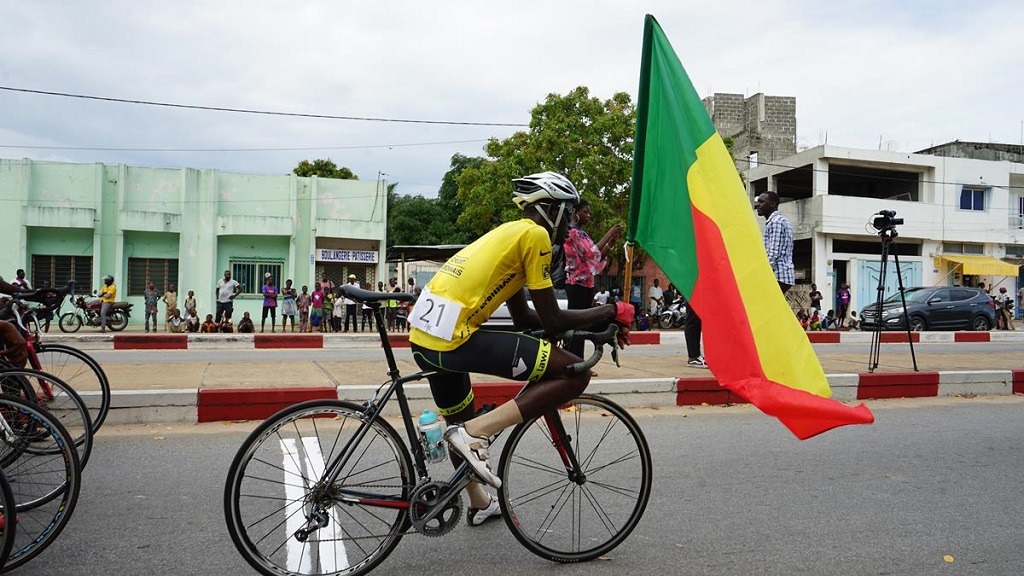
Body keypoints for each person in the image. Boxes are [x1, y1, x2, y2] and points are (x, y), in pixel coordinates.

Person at [407, 171, 630, 525]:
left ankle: (480, 502)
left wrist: (590, 327)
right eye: (568, 214)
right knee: (575, 373)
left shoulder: (509, 233)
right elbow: (554, 320)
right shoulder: (536, 234)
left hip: (425, 340)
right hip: (452, 338)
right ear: (552, 209)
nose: (571, 225)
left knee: (457, 423)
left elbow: (526, 318)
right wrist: (611, 310)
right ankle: (476, 432)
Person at [562, 199, 623, 358]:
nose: (589, 215)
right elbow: (590, 253)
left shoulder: (582, 233)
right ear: (575, 214)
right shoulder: (572, 232)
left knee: (582, 324)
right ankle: (571, 360)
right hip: (576, 284)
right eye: (585, 212)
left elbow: (596, 257)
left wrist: (611, 242)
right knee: (576, 324)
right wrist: (609, 232)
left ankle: (578, 361)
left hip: (586, 284)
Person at [754, 191, 794, 294]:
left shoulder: (776, 222)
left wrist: (763, 274)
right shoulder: (777, 221)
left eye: (761, 202)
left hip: (779, 275)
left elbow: (773, 253)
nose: (757, 205)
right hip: (781, 275)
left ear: (772, 204)